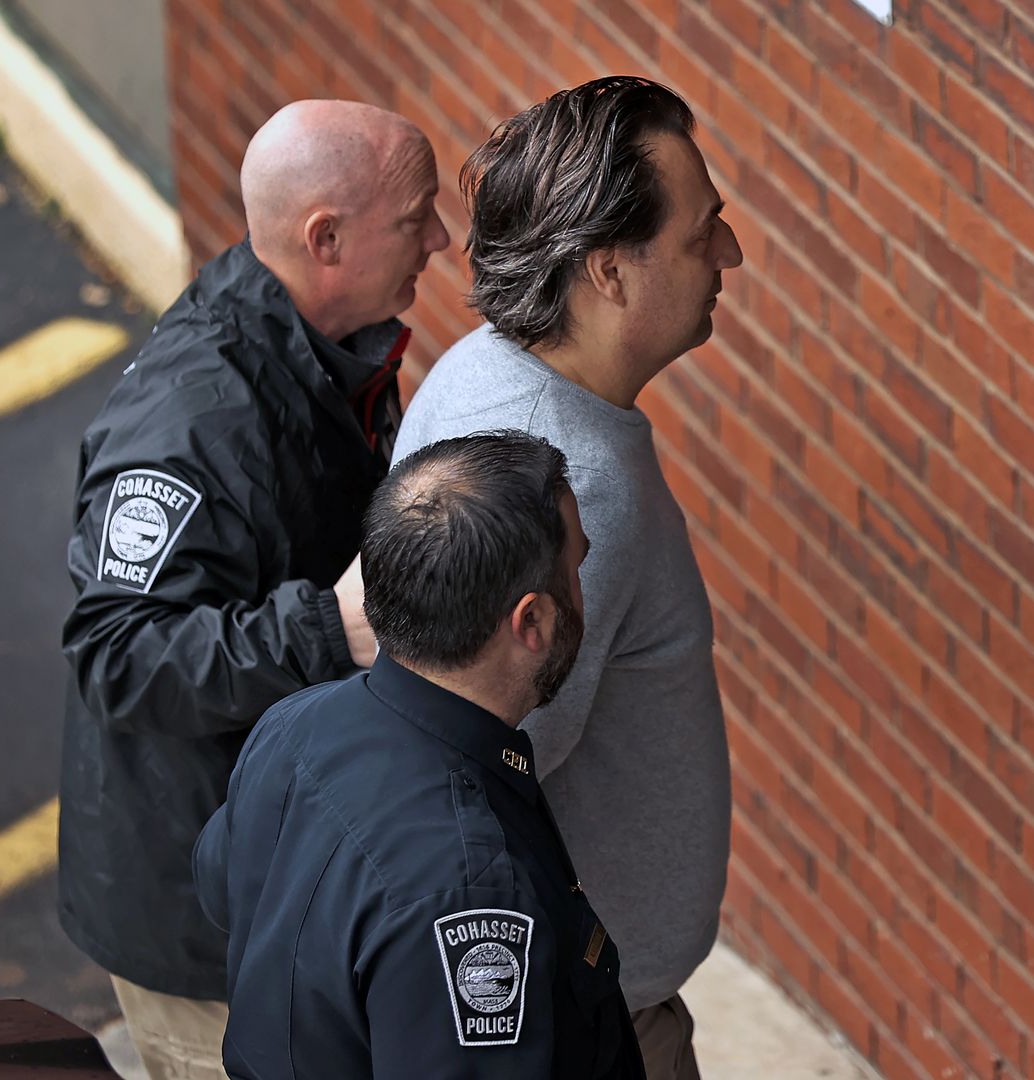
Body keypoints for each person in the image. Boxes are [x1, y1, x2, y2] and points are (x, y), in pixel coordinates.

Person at [58, 99, 451, 1079]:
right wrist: (332, 629)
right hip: (210, 939)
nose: (442, 239)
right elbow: (118, 656)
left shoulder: (332, 342)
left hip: (284, 878)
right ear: (327, 238)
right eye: (417, 218)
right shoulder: (192, 418)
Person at [394, 76, 742, 1078]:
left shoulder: (485, 369)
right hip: (582, 1028)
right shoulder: (574, 495)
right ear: (610, 274)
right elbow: (484, 778)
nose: (731, 255)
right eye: (701, 233)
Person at [192, 431, 644, 1079]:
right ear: (532, 622)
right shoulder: (470, 892)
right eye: (577, 566)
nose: (583, 584)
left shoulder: (294, 724)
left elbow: (222, 891)